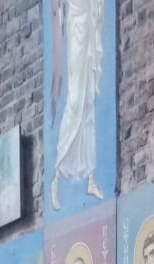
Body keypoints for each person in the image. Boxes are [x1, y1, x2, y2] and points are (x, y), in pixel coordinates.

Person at [50, 0, 105, 210]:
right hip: (76, 32)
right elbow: (56, 16)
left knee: (89, 103)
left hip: (89, 31)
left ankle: (90, 177)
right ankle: (56, 176)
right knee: (74, 102)